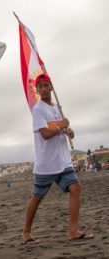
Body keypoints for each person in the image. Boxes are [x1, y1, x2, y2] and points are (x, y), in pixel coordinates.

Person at [22, 74, 93, 244]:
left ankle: (73, 231)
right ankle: (26, 233)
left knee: (75, 188)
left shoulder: (57, 108)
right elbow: (45, 134)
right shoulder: (38, 110)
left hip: (63, 161)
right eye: (41, 86)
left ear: (52, 88)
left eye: (47, 85)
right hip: (46, 164)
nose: (45, 88)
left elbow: (61, 130)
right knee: (37, 198)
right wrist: (62, 125)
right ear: (37, 90)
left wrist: (69, 131)